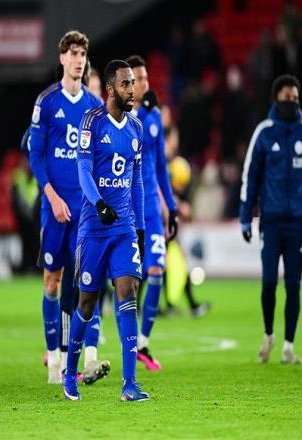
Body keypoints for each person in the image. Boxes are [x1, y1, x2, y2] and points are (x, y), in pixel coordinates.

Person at [63, 59, 149, 402]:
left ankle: (130, 384)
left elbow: (137, 182)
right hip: (94, 230)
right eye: (126, 84)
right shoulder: (92, 122)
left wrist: (139, 228)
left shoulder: (136, 128)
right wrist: (98, 203)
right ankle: (70, 374)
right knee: (86, 303)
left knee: (128, 292)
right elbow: (84, 170)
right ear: (111, 89)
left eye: (133, 83)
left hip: (123, 228)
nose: (132, 89)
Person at [28, 30, 109, 384]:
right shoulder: (46, 102)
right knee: (53, 281)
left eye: (82, 54)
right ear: (62, 58)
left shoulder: (94, 105)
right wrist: (52, 197)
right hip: (54, 209)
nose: (78, 60)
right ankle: (55, 359)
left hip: (85, 210)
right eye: (73, 54)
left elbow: (101, 157)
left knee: (88, 279)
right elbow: (35, 155)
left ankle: (89, 357)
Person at [239, 74, 302, 364]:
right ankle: (269, 335)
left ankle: (289, 346)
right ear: (276, 99)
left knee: (293, 285)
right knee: (268, 283)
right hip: (270, 222)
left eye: (295, 98)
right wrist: (245, 216)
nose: (292, 102)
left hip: (296, 224)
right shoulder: (264, 133)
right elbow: (250, 176)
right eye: (287, 97)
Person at [124, 55, 178, 371]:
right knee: (127, 281)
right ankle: (123, 341)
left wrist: (172, 206)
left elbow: (160, 168)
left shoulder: (154, 116)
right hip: (127, 211)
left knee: (157, 271)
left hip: (152, 213)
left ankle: (143, 342)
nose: (144, 84)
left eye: (145, 78)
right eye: (138, 79)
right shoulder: (120, 116)